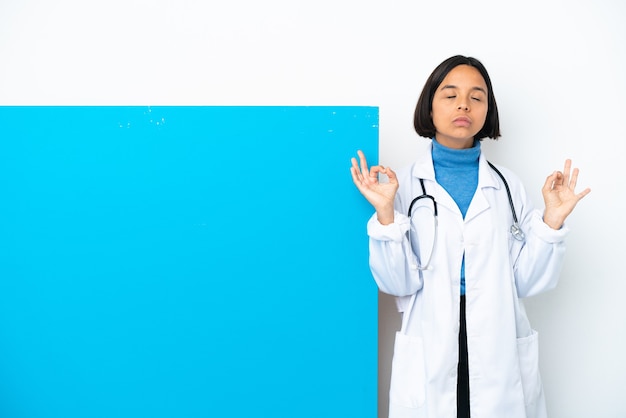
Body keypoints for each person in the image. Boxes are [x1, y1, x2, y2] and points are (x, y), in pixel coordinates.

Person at [350, 55, 590, 418]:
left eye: (477, 97)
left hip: (498, 345)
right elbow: (397, 283)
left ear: (487, 111)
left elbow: (526, 282)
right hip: (431, 343)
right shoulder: (402, 186)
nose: (464, 104)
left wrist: (551, 222)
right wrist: (386, 215)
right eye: (450, 95)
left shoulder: (508, 185)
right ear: (429, 108)